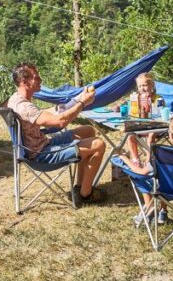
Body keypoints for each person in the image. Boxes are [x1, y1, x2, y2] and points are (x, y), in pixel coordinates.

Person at [7, 62, 107, 202]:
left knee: (88, 130)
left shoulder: (16, 99)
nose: (41, 80)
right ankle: (86, 194)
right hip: (42, 155)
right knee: (98, 144)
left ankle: (78, 187)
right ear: (25, 82)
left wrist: (78, 99)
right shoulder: (24, 107)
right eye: (36, 77)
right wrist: (83, 103)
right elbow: (60, 122)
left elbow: (54, 112)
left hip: (41, 144)